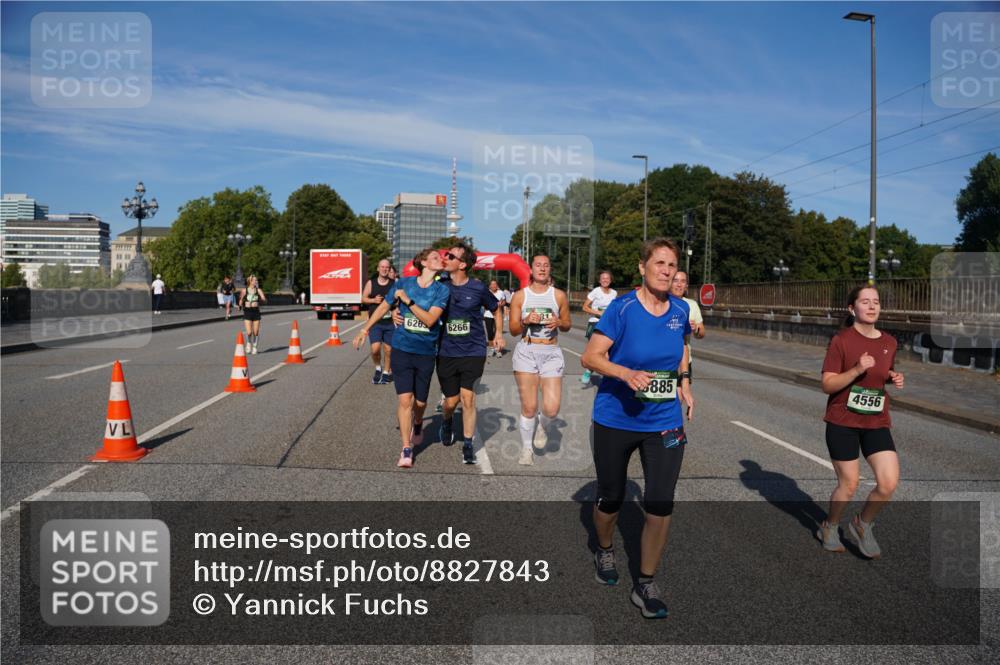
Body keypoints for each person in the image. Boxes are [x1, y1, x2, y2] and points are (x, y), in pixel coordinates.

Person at [581, 237, 695, 619]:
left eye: (672, 265)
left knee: (661, 503)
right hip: (616, 417)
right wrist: (625, 372)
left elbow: (680, 348)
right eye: (659, 263)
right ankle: (605, 547)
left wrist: (684, 382)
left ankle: (645, 581)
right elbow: (591, 356)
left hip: (663, 421)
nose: (666, 271)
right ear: (643, 267)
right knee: (611, 497)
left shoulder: (680, 309)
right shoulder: (622, 308)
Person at [816, 285, 904, 558]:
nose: (872, 306)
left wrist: (892, 376)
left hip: (876, 421)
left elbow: (882, 372)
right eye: (865, 301)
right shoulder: (841, 341)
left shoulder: (889, 342)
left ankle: (862, 524)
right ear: (852, 308)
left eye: (876, 301)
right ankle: (829, 526)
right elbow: (827, 385)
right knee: (850, 484)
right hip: (843, 421)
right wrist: (856, 369)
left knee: (888, 483)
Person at [352, 248, 448, 469]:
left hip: (425, 351)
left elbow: (431, 320)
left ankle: (418, 422)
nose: (440, 260)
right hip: (402, 348)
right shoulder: (403, 282)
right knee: (405, 400)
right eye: (435, 257)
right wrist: (365, 330)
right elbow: (384, 306)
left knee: (421, 402)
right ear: (423, 263)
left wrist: (407, 302)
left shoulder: (441, 290)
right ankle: (406, 448)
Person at [436, 244, 504, 464]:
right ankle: (446, 421)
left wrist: (499, 334)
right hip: (446, 351)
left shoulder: (478, 287)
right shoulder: (440, 285)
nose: (445, 257)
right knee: (451, 402)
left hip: (474, 351)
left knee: (468, 399)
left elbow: (495, 308)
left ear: (463, 264)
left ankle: (467, 444)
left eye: (450, 256)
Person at [508, 255, 572, 466]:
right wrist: (525, 321)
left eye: (546, 265)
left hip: (551, 352)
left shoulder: (559, 296)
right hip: (527, 350)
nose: (542, 268)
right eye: (538, 265)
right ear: (532, 270)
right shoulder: (520, 296)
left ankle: (543, 426)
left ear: (550, 269)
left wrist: (559, 321)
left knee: (552, 409)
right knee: (529, 406)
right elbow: (513, 330)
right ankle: (527, 450)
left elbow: (567, 325)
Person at [362, 259, 396, 384]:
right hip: (375, 322)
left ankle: (386, 372)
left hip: (390, 322)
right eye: (382, 267)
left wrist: (395, 308)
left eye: (387, 267)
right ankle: (378, 367)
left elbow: (400, 300)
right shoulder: (371, 283)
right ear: (378, 268)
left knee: (388, 349)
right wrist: (373, 301)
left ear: (389, 269)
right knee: (375, 349)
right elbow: (363, 298)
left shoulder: (394, 283)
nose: (384, 269)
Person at [580, 270, 618, 385]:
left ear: (610, 280)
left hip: (609, 324)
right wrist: (598, 313)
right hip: (595, 323)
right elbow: (585, 307)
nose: (605, 280)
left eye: (607, 278)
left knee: (607, 353)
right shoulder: (596, 291)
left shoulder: (614, 293)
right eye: (603, 278)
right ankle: (609, 380)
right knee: (602, 352)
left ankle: (589, 370)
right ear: (599, 280)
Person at [670, 271, 705, 380]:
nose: (679, 284)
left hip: (684, 361)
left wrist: (695, 329)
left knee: (682, 395)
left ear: (686, 286)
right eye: (675, 281)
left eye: (683, 281)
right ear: (669, 282)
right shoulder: (660, 302)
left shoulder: (692, 305)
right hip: (663, 361)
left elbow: (701, 333)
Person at [238, 274, 267, 354]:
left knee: (256, 332)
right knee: (249, 332)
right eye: (255, 280)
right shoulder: (244, 290)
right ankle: (248, 344)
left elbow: (264, 299)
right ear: (250, 281)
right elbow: (240, 300)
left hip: (256, 312)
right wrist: (240, 304)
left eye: (256, 280)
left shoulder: (258, 290)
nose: (256, 281)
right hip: (247, 311)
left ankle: (255, 347)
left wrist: (263, 299)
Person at [484, 280, 506, 358]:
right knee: (490, 333)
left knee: (497, 332)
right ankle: (491, 348)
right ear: (489, 286)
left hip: (498, 316)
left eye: (495, 284)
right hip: (488, 315)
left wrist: (501, 304)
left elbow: (504, 302)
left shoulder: (501, 293)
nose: (494, 286)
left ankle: (497, 350)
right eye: (492, 284)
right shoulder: (486, 293)